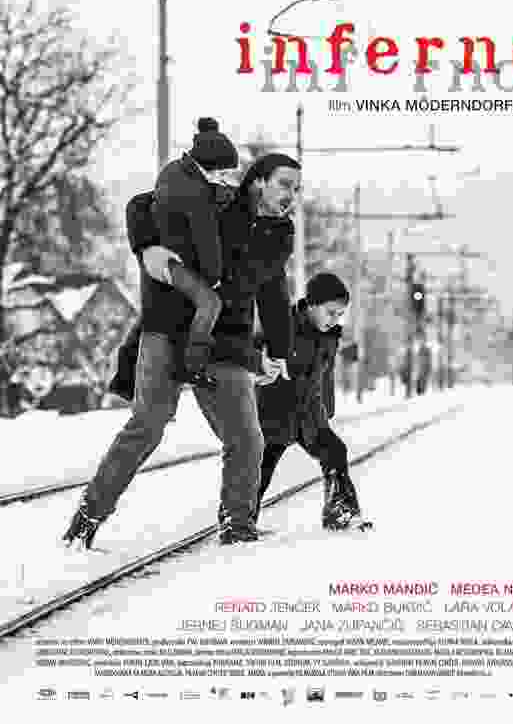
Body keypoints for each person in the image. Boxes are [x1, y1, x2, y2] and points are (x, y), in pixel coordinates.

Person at [63, 152, 300, 549]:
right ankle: (87, 519)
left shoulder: (279, 234)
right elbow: (142, 203)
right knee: (147, 425)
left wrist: (279, 350)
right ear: (259, 180)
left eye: (296, 188)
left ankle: (238, 526)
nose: (291, 195)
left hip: (225, 342)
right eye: (285, 184)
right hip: (172, 329)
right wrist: (146, 247)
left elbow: (274, 292)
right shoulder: (219, 201)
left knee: (246, 438)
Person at [110, 116, 239, 397]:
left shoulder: (174, 172)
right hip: (178, 262)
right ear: (209, 166)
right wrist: (213, 277)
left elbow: (147, 201)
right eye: (222, 173)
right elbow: (206, 239)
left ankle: (125, 375)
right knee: (209, 303)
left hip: (167, 260)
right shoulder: (196, 194)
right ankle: (191, 366)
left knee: (158, 315)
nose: (223, 179)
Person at [254, 272, 372, 531]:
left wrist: (327, 408)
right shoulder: (280, 324)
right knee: (260, 471)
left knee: (335, 451)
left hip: (309, 413)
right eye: (331, 313)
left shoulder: (330, 336)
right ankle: (240, 521)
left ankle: (340, 512)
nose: (335, 319)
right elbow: (254, 349)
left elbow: (325, 374)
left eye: (340, 314)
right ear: (311, 304)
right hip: (273, 412)